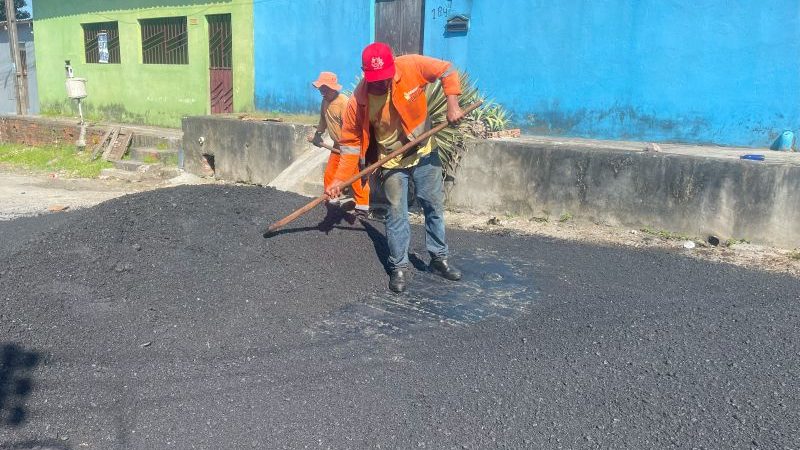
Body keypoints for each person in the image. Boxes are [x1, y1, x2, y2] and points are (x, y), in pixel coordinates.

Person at [325, 43, 465, 293]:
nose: (381, 84)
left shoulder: (411, 66)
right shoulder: (358, 101)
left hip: (423, 150)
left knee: (432, 205)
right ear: (364, 72)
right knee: (396, 213)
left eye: (385, 78)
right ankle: (399, 266)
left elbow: (447, 70)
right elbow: (349, 145)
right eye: (375, 80)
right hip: (390, 160)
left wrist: (452, 104)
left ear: (393, 66)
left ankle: (438, 259)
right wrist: (339, 180)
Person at [310, 71, 370, 217]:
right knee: (330, 173)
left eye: (324, 89)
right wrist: (317, 135)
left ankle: (362, 206)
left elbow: (352, 127)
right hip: (337, 145)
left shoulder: (344, 102)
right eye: (321, 89)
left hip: (351, 146)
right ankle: (332, 199)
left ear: (333, 89)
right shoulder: (325, 101)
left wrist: (353, 148)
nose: (322, 92)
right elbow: (323, 121)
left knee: (354, 176)